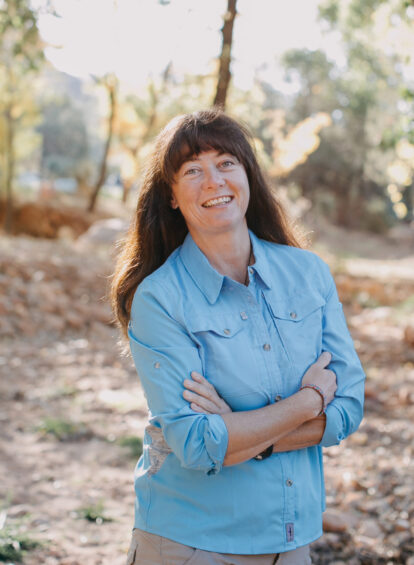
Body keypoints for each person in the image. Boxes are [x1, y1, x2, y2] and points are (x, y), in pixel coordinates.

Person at [111, 109, 365, 565]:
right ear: (171, 195)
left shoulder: (308, 273)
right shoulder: (160, 299)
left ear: (248, 174)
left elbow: (348, 405)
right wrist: (307, 402)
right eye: (192, 171)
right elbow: (196, 443)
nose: (213, 181)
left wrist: (240, 432)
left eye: (226, 162)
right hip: (192, 542)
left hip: (292, 540)